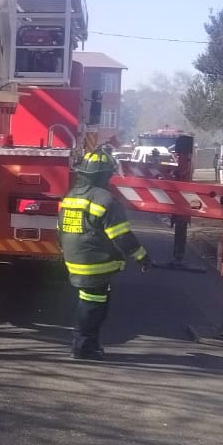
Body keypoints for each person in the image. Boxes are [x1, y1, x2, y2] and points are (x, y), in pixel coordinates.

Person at [59, 150, 149, 360]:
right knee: (93, 306)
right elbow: (122, 237)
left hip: (75, 260)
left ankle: (85, 344)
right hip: (95, 263)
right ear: (104, 175)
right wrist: (142, 257)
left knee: (89, 301)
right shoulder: (105, 200)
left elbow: (59, 229)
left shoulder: (71, 196)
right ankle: (83, 348)